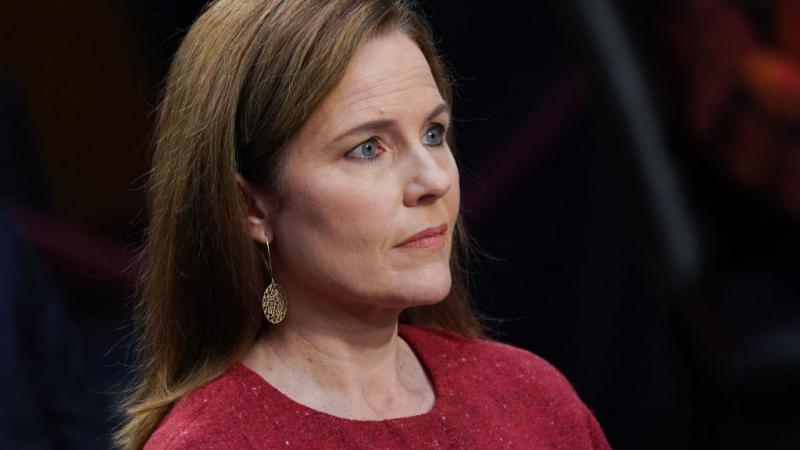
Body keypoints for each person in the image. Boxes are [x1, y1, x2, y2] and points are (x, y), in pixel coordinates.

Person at [115, 1, 611, 448]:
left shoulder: (531, 395)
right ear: (251, 206)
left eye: (434, 134)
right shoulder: (214, 444)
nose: (433, 179)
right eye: (368, 148)